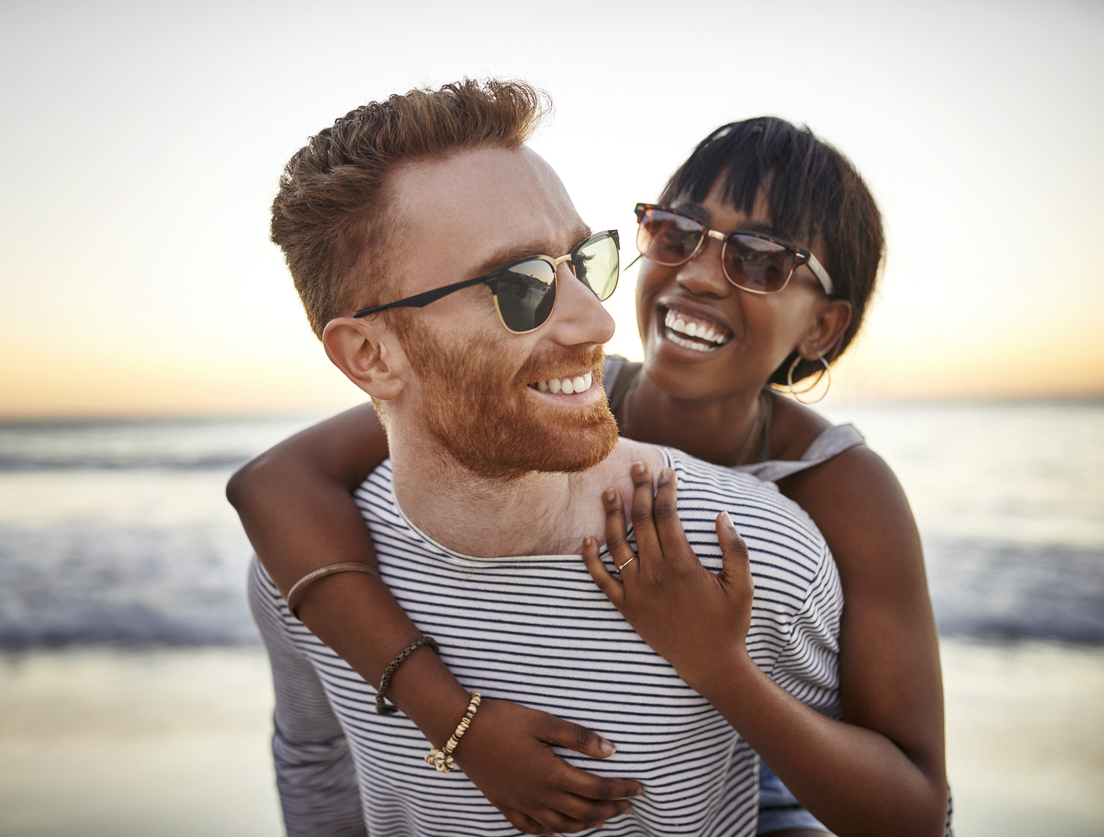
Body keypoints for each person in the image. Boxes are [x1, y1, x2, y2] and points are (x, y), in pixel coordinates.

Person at [233, 84, 951, 834]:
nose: (699, 276)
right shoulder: (565, 394)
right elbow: (274, 483)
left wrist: (714, 664)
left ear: (822, 327)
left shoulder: (836, 491)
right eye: (676, 235)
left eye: (762, 261)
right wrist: (452, 719)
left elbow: (914, 804)